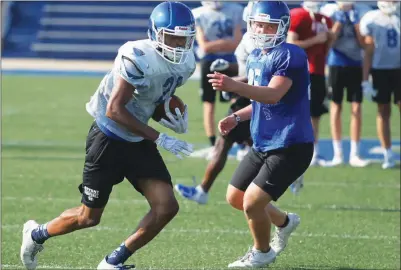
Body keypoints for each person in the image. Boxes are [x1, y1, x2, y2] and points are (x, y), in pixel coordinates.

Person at [20, 2, 195, 269]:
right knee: (88, 218)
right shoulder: (137, 56)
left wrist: (172, 117)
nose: (179, 45)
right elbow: (115, 109)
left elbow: (154, 98)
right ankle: (36, 234)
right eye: (172, 37)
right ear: (155, 33)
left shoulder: (186, 64)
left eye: (184, 39)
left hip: (137, 140)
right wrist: (160, 137)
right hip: (108, 138)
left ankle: (114, 261)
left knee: (167, 206)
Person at [208, 1, 314, 267]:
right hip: (263, 142)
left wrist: (233, 85)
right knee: (236, 197)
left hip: (290, 144)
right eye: (257, 23)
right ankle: (285, 222)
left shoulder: (291, 54)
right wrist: (236, 117)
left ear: (282, 27)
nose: (262, 29)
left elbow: (273, 94)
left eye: (269, 25)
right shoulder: (256, 55)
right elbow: (258, 101)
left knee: (252, 203)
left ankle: (262, 252)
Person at [322, 1, 371, 167]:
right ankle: (338, 153)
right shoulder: (330, 12)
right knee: (336, 107)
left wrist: (356, 24)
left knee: (356, 108)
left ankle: (354, 153)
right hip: (336, 63)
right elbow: (329, 43)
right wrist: (339, 23)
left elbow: (364, 44)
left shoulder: (362, 12)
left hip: (356, 64)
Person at [287, 1, 333, 166]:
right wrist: (316, 40)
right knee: (296, 112)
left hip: (318, 71)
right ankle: (291, 150)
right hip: (301, 71)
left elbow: (325, 48)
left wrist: (329, 39)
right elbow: (291, 43)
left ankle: (313, 152)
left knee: (315, 113)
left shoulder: (325, 19)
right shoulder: (299, 15)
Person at [192, 1, 243, 147]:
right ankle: (213, 143)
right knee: (209, 102)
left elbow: (237, 43)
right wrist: (226, 43)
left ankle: (237, 140)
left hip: (230, 61)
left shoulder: (235, 9)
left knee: (237, 101)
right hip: (209, 62)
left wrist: (215, 45)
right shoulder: (198, 13)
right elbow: (204, 46)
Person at [360, 1, 400, 170]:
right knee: (383, 111)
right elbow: (369, 50)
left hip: (399, 69)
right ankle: (387, 153)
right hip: (380, 71)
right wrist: (365, 79)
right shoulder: (372, 18)